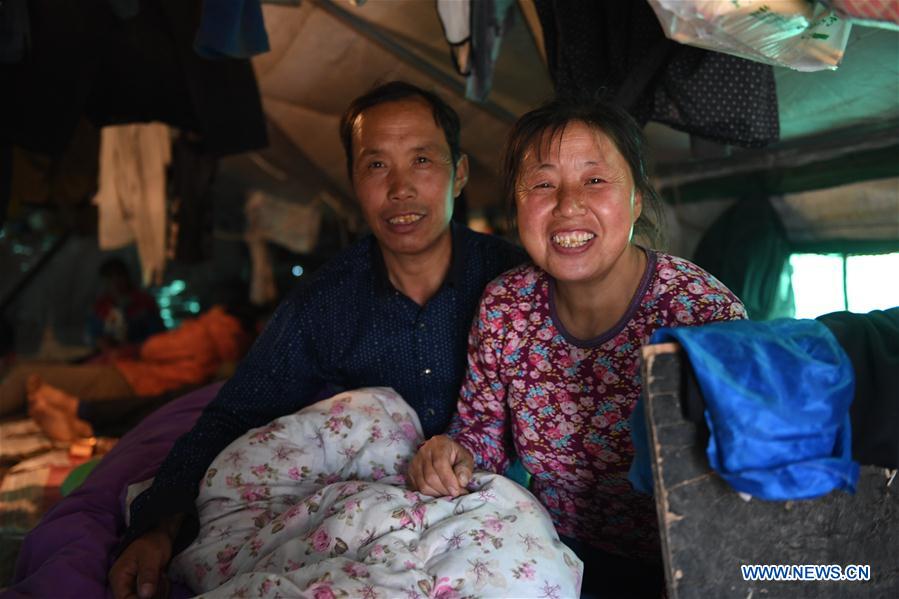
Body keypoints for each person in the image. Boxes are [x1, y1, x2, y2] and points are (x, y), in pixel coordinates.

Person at [108, 81, 525, 599]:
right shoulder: (323, 305)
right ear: (353, 179)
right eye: (376, 165)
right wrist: (156, 528)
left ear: (458, 172)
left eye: (422, 160)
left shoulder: (515, 282)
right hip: (373, 521)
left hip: (493, 511)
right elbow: (234, 415)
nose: (400, 188)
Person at [407, 99, 747, 596]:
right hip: (547, 555)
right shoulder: (506, 306)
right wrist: (451, 454)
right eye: (543, 184)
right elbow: (482, 435)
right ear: (517, 206)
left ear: (635, 199)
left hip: (685, 568)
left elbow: (741, 477)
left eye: (594, 180)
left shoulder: (699, 313)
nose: (568, 204)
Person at [87, 257, 165, 351]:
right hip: (108, 356)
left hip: (140, 355)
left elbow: (158, 336)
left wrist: (132, 345)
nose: (115, 281)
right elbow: (92, 335)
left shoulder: (145, 303)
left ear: (127, 277)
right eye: (110, 277)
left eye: (119, 275)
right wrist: (100, 341)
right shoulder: (100, 307)